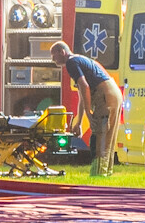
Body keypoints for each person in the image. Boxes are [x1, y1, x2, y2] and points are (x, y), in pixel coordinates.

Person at [50, 39, 122, 177]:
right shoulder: (81, 60)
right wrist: (79, 121)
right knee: (109, 137)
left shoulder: (71, 62)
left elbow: (84, 86)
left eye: (54, 55)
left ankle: (98, 174)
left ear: (62, 52)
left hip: (104, 95)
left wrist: (89, 115)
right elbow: (83, 94)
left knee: (100, 135)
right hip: (113, 94)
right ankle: (106, 173)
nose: (53, 60)